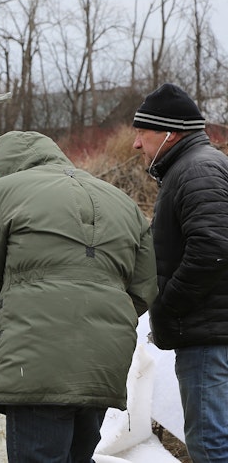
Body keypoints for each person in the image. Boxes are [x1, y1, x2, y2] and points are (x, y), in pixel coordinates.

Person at [0, 131, 157, 462]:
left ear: (0, 166)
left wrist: (2, 333)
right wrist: (100, 322)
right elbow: (144, 288)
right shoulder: (122, 201)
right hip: (103, 360)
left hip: (33, 358)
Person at [131, 83, 228, 463]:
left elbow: (214, 249)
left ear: (171, 132)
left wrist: (168, 306)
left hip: (208, 333)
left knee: (210, 443)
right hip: (211, 328)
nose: (137, 144)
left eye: (143, 133)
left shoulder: (197, 169)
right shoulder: (193, 167)